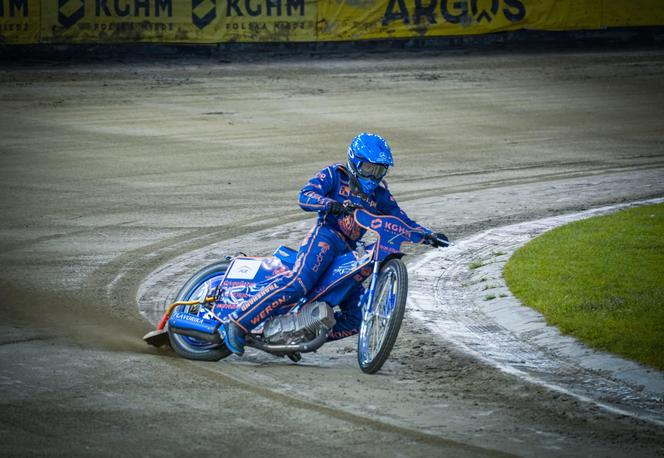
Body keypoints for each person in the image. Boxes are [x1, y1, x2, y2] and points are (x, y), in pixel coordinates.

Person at [220, 132, 448, 355]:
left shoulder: (381, 195)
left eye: (380, 170)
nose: (374, 175)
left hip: (349, 252)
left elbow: (401, 219)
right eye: (369, 168)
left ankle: (298, 335)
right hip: (325, 236)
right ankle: (238, 322)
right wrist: (328, 203)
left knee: (357, 317)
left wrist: (428, 235)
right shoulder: (335, 174)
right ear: (355, 162)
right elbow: (305, 195)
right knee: (299, 283)